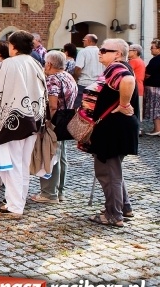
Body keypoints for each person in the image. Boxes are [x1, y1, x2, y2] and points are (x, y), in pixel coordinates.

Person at [0, 31, 47, 217]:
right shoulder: (35, 63)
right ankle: (17, 201)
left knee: (11, 164)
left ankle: (14, 205)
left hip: (13, 119)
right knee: (23, 163)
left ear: (13, 46)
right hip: (34, 118)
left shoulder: (9, 64)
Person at [86, 38, 139, 227]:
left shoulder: (117, 68)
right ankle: (124, 207)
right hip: (118, 128)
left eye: (104, 50)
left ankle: (113, 214)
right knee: (114, 171)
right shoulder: (118, 66)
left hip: (112, 129)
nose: (99, 52)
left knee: (107, 172)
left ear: (117, 54)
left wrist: (124, 104)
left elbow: (128, 80)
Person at [30, 50, 77, 204]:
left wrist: (47, 124)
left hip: (55, 123)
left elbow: (52, 105)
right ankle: (59, 191)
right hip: (67, 121)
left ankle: (49, 193)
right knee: (62, 157)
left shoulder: (52, 80)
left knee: (50, 155)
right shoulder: (69, 77)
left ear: (49, 64)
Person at [74, 34, 104, 108]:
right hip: (98, 84)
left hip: (84, 83)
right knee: (95, 107)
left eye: (83, 40)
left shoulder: (83, 52)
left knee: (80, 107)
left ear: (89, 41)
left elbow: (78, 68)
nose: (83, 42)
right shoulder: (102, 52)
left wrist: (75, 79)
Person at [143, 40, 160, 135]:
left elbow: (147, 74)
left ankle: (157, 129)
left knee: (155, 107)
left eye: (152, 48)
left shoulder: (155, 60)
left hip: (154, 87)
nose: (151, 50)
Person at [127, 44, 145, 122]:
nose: (128, 51)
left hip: (134, 87)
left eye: (129, 50)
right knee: (139, 109)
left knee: (132, 108)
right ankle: (139, 127)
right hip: (140, 86)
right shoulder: (141, 61)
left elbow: (127, 73)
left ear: (135, 52)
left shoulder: (133, 61)